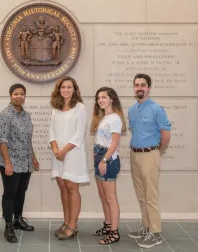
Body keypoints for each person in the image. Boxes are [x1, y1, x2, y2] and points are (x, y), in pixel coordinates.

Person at [127, 74, 171, 249]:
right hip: (134, 155)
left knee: (151, 196)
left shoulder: (156, 109)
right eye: (136, 85)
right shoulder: (131, 109)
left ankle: (155, 233)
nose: (139, 88)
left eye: (143, 85)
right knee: (141, 195)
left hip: (150, 155)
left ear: (149, 88)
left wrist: (158, 152)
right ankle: (146, 228)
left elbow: (166, 134)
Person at [0, 83, 40, 243]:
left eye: (22, 94)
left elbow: (28, 140)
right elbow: (2, 141)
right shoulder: (5, 115)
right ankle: (8, 226)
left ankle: (18, 220)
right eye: (16, 94)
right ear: (10, 95)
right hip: (11, 162)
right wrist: (7, 163)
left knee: (21, 192)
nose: (19, 96)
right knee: (9, 194)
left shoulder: (26, 115)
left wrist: (33, 157)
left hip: (25, 161)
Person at [49, 76, 89, 240]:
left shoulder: (80, 108)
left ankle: (73, 225)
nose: (66, 90)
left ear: (74, 90)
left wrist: (64, 151)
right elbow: (51, 131)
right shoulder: (55, 108)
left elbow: (79, 134)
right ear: (59, 89)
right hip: (57, 154)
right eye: (63, 87)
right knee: (63, 187)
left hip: (73, 153)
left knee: (72, 188)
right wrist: (56, 149)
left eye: (69, 87)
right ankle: (66, 222)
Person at [90, 87, 126, 245]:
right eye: (98, 98)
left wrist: (104, 160)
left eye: (104, 97)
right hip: (99, 158)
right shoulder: (104, 117)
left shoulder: (115, 119)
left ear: (112, 99)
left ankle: (114, 232)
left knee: (111, 198)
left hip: (108, 160)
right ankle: (108, 224)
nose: (100, 100)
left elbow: (114, 143)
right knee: (103, 196)